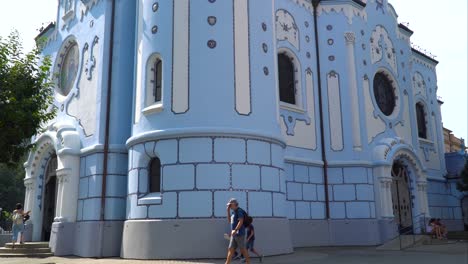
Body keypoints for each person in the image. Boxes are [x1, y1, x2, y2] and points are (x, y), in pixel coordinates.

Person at [225, 198, 250, 264]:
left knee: (243, 250)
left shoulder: (239, 211)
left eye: (230, 205)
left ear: (234, 204)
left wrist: (235, 230)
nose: (229, 206)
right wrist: (227, 211)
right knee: (230, 249)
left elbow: (241, 221)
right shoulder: (233, 212)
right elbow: (229, 221)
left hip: (240, 234)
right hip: (234, 235)